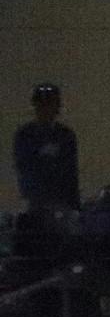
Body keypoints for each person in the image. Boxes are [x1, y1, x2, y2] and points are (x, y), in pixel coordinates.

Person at [13, 82, 79, 216]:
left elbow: (71, 171)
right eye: (41, 105)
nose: (46, 110)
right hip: (36, 201)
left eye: (50, 104)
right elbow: (24, 167)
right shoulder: (25, 135)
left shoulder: (65, 135)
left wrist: (74, 205)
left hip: (62, 202)